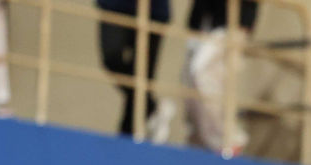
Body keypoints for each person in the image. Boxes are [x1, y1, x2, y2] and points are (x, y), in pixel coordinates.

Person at [96, 0, 256, 151]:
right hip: (205, 22)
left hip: (229, 21)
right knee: (189, 83)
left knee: (202, 76)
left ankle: (229, 139)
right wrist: (194, 25)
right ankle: (197, 141)